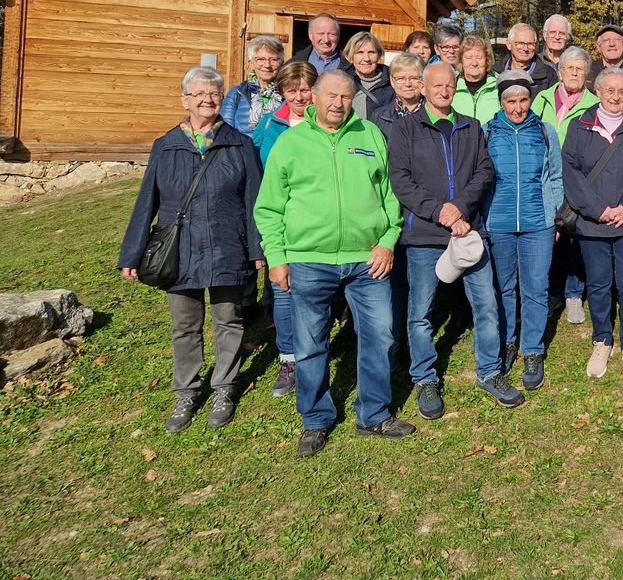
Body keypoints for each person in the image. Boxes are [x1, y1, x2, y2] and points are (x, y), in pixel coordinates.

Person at [255, 70, 415, 457]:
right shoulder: (291, 144)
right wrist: (277, 258)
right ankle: (316, 419)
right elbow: (269, 207)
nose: (338, 103)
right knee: (311, 344)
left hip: (367, 259)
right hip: (310, 260)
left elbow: (391, 195)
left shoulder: (369, 135)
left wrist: (387, 241)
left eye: (346, 96)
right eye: (331, 96)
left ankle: (374, 414)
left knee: (380, 336)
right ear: (314, 96)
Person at [119, 67, 265, 434]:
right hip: (179, 251)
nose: (207, 100)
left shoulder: (239, 144)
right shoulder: (166, 145)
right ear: (185, 99)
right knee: (185, 327)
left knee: (229, 321)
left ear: (221, 99)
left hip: (227, 245)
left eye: (213, 93)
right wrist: (132, 253)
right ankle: (186, 391)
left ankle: (223, 388)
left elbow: (254, 202)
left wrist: (257, 248)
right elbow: (146, 202)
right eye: (198, 94)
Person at [388, 62, 524, 416]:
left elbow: (484, 171)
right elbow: (401, 180)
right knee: (421, 312)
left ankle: (490, 372)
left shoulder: (471, 126)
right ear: (422, 87)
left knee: (487, 306)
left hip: (468, 231)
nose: (444, 91)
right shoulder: (405, 129)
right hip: (425, 236)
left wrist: (460, 209)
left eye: (450, 85)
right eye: (437, 85)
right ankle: (425, 378)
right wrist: (439, 212)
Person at [562, 67, 623, 382]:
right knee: (599, 283)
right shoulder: (580, 127)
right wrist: (598, 208)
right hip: (592, 221)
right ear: (598, 91)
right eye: (610, 90)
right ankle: (602, 339)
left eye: (622, 91)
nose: (616, 96)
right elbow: (571, 173)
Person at [484, 70, 563, 391]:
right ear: (501, 101)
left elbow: (556, 177)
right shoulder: (487, 132)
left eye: (523, 100)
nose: (517, 107)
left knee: (535, 288)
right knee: (502, 288)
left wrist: (553, 214)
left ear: (531, 99)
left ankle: (532, 349)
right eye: (511, 101)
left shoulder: (545, 132)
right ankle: (506, 342)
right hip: (498, 223)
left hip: (537, 224)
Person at [251, 59, 318, 399]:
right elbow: (255, 171)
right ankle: (289, 358)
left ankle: (317, 353)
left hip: (318, 221)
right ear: (282, 93)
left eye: (305, 89)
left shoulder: (326, 123)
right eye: (292, 90)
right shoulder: (270, 125)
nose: (300, 96)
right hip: (283, 218)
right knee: (283, 289)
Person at [530, 45, 598, 324]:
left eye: (579, 69)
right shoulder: (542, 99)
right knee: (548, 236)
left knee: (573, 238)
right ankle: (550, 292)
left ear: (586, 75)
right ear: (559, 71)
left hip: (578, 180)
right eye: (569, 68)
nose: (573, 73)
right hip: (544, 179)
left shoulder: (593, 104)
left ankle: (573, 294)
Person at [368, 53, 428, 360]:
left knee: (417, 278)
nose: (407, 83)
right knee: (391, 279)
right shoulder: (379, 117)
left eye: (414, 78)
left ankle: (414, 338)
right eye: (401, 78)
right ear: (392, 82)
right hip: (390, 201)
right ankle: (391, 345)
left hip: (422, 203)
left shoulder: (432, 112)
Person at [221, 35, 285, 135]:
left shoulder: (288, 94)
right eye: (260, 59)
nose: (267, 65)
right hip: (244, 150)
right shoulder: (237, 94)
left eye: (273, 59)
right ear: (251, 63)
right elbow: (225, 132)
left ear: (282, 63)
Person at [453, 34, 500, 126]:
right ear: (461, 60)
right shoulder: (451, 85)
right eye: (468, 58)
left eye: (479, 57)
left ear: (487, 60)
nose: (474, 63)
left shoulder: (500, 85)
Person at [344, 32, 393, 119]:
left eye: (371, 52)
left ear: (378, 55)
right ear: (350, 56)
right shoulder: (342, 81)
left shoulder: (392, 82)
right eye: (360, 52)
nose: (366, 58)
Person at [499, 23, 557, 96]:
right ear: (509, 44)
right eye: (520, 43)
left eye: (530, 44)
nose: (525, 48)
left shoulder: (549, 76)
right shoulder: (494, 74)